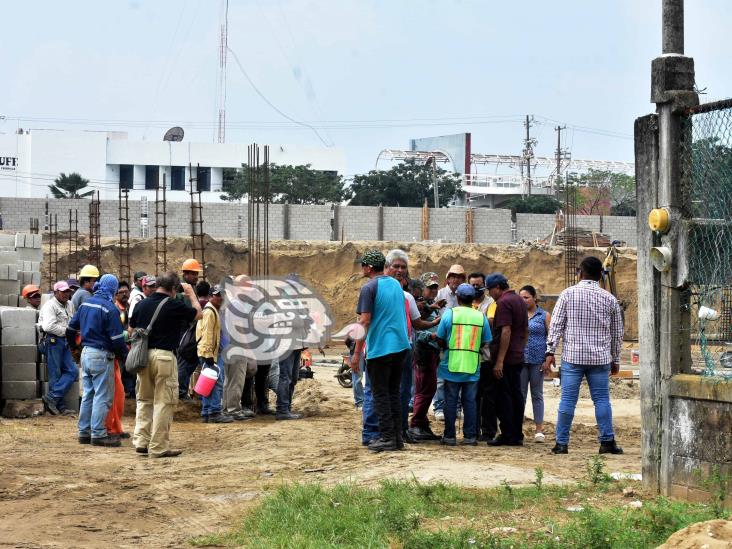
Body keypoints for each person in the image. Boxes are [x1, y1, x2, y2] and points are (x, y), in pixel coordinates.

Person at [544, 256, 624, 455]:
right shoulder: (610, 299)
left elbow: (556, 325)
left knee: (567, 400)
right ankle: (607, 441)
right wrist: (616, 359)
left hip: (573, 357)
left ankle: (561, 444)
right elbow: (617, 333)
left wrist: (550, 351)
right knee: (602, 400)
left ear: (580, 272)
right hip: (600, 359)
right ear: (600, 276)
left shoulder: (567, 294)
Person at [130, 271, 202, 458]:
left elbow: (131, 328)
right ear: (173, 288)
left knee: (144, 400)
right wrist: (191, 294)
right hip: (164, 357)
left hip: (143, 356)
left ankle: (141, 441)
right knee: (164, 401)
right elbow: (198, 314)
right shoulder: (173, 304)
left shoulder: (141, 304)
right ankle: (158, 446)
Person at [351, 250, 410, 453]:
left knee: (380, 394)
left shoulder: (369, 288)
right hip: (401, 346)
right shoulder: (395, 284)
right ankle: (397, 438)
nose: (361, 269)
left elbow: (364, 321)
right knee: (393, 392)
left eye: (363, 265)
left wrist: (357, 354)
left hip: (381, 348)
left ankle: (387, 437)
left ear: (368, 267)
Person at [384, 249, 439, 443]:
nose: (400, 270)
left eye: (403, 267)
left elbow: (416, 323)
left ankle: (400, 430)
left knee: (403, 390)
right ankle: (386, 431)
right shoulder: (377, 291)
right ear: (386, 268)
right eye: (396, 266)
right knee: (385, 391)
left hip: (406, 349)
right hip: (388, 349)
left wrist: (432, 319)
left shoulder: (407, 299)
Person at [68, 274, 128, 447]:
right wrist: (124, 356)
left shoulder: (86, 303)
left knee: (88, 395)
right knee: (102, 395)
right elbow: (117, 339)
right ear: (113, 289)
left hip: (86, 353)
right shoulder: (110, 308)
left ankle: (84, 432)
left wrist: (75, 348)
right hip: (102, 355)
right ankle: (99, 434)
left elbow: (71, 329)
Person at [433, 283, 492, 446]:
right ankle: (470, 437)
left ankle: (450, 436)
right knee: (470, 402)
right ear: (473, 298)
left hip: (452, 364)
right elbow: (486, 340)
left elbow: (439, 337)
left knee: (450, 401)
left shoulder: (449, 314)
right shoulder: (480, 317)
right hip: (472, 365)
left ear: (458, 298)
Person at [486, 272, 528, 447]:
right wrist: (520, 348)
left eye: (490, 290)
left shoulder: (503, 303)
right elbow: (526, 331)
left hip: (506, 358)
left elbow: (505, 331)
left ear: (497, 287)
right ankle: (517, 434)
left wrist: (500, 361)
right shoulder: (519, 300)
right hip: (517, 356)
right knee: (516, 395)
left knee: (504, 397)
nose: (490, 294)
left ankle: (507, 434)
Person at [407, 272, 442, 442]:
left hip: (431, 352)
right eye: (430, 287)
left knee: (428, 388)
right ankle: (416, 424)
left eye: (435, 287)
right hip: (423, 352)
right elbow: (418, 331)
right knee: (425, 389)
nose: (433, 290)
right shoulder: (418, 306)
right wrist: (434, 336)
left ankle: (421, 422)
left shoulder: (428, 305)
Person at [433, 264, 466, 421]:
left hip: (460, 343)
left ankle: (457, 407)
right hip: (442, 342)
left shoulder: (465, 297)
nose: (456, 280)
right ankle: (439, 407)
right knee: (440, 378)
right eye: (453, 276)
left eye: (459, 277)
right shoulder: (439, 295)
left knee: (458, 375)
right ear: (447, 279)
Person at [38, 281, 77, 416]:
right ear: (55, 292)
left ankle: (52, 398)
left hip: (64, 341)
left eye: (67, 291)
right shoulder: (50, 306)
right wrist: (68, 331)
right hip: (52, 341)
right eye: (63, 291)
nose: (66, 294)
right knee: (55, 374)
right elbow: (48, 327)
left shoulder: (70, 304)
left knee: (72, 371)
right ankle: (60, 407)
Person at [197, 285, 232, 424]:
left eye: (222, 295)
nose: (221, 297)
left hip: (209, 352)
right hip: (211, 353)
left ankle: (207, 412)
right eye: (217, 295)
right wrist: (209, 354)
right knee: (216, 383)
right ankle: (215, 412)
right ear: (211, 296)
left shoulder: (212, 310)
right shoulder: (210, 311)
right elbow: (207, 333)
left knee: (208, 383)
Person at [519, 285, 550, 443]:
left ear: (534, 298)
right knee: (520, 395)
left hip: (538, 361)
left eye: (526, 297)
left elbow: (551, 338)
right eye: (521, 298)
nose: (523, 300)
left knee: (537, 395)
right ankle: (518, 428)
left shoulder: (544, 315)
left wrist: (548, 358)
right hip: (521, 360)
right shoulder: (519, 315)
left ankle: (539, 430)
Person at [469, 272, 497, 442]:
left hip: (486, 356)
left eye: (478, 285)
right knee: (472, 396)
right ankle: (473, 429)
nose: (475, 288)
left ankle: (488, 430)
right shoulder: (467, 303)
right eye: (472, 285)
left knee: (488, 397)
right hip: (470, 357)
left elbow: (491, 321)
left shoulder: (491, 303)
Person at [177, 259, 203, 400]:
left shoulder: (191, 288)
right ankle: (181, 392)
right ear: (185, 274)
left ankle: (183, 391)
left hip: (189, 330)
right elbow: (191, 312)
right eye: (193, 274)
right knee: (184, 362)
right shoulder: (184, 289)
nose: (196, 277)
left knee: (188, 363)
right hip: (184, 331)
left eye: (196, 274)